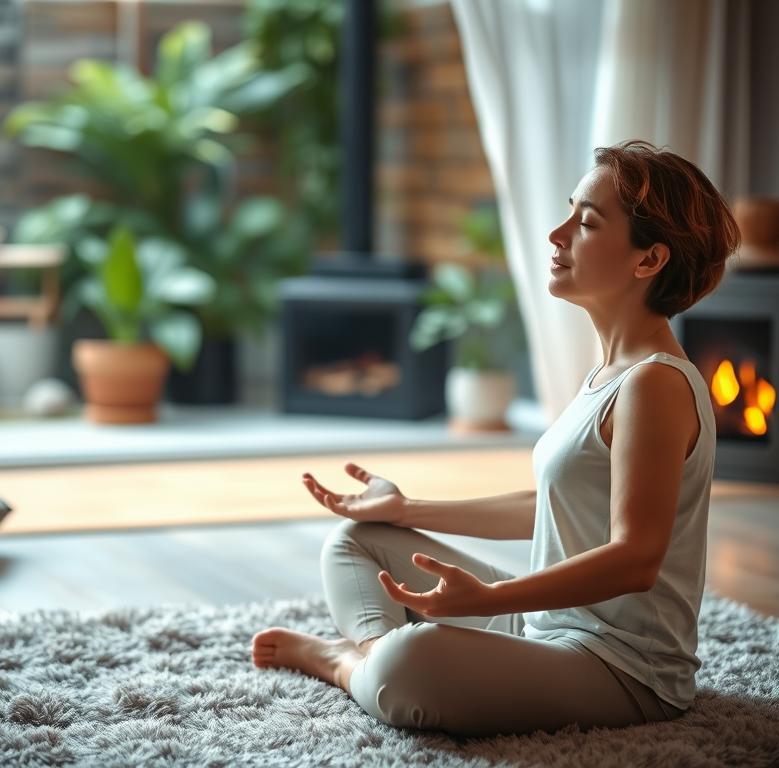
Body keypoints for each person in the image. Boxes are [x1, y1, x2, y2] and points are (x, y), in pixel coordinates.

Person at [250, 139, 742, 738]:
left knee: (415, 663)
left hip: (619, 668)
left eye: (585, 222)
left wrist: (486, 600)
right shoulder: (610, 374)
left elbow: (636, 559)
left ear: (648, 260)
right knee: (359, 538)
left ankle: (351, 663)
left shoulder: (656, 385)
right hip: (544, 627)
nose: (557, 234)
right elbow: (556, 508)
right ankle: (381, 662)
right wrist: (407, 510)